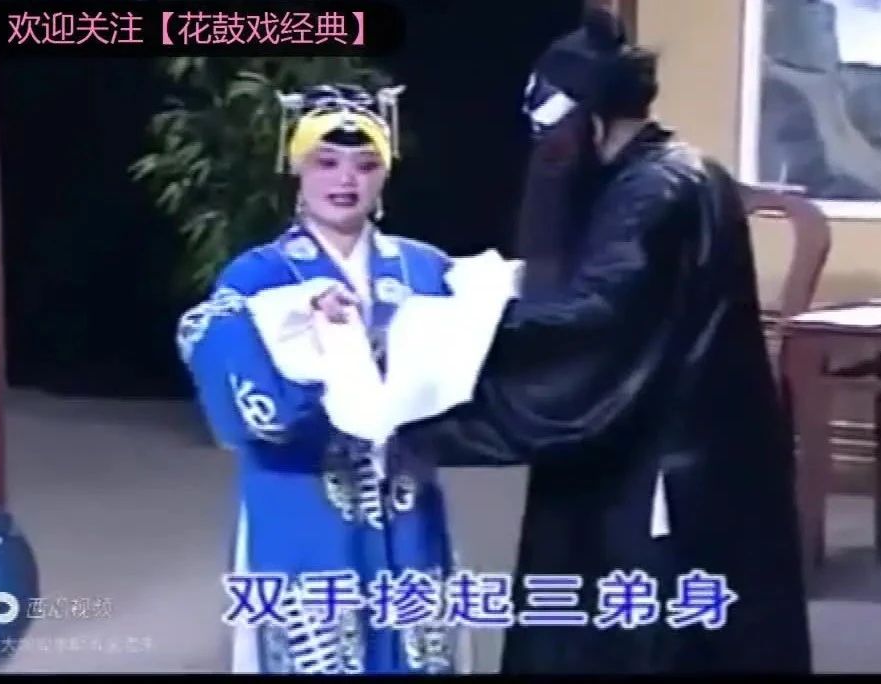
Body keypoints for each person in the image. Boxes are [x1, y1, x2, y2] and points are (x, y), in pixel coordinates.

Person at [395, 9, 813, 674]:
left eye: (553, 138)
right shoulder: (664, 174)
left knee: (643, 635)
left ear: (591, 121)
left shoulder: (655, 191)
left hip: (661, 460)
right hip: (685, 446)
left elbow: (595, 321)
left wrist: (442, 335)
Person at [175, 83, 467, 675]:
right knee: (319, 643)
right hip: (302, 488)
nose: (346, 179)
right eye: (326, 162)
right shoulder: (260, 274)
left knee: (414, 637)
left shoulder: (425, 267)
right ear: (297, 169)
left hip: (403, 487)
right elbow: (212, 340)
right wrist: (296, 320)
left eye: (365, 164)